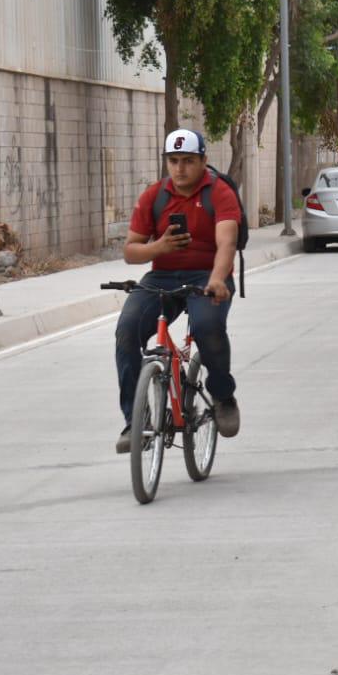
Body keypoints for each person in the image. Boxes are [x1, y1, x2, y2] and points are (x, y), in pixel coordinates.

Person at [114, 128, 241, 453]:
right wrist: (159, 247)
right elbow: (131, 251)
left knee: (205, 327)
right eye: (173, 161)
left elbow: (226, 241)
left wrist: (217, 279)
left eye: (188, 160)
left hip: (207, 275)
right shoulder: (154, 196)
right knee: (127, 331)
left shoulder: (219, 193)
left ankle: (223, 395)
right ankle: (135, 421)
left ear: (203, 161)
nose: (180, 168)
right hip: (162, 278)